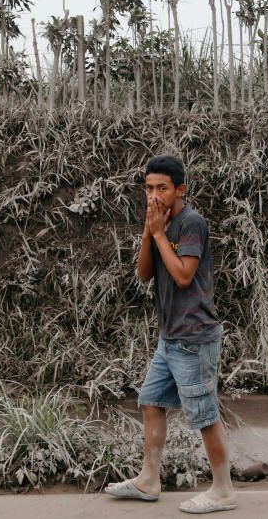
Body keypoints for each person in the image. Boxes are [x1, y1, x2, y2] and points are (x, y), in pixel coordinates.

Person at [104, 155, 237, 514]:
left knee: (204, 415)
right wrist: (149, 232)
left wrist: (160, 233)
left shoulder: (191, 224)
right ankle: (149, 480)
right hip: (170, 337)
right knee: (150, 401)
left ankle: (223, 490)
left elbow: (182, 276)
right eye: (148, 189)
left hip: (194, 338)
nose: (153, 196)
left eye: (161, 188)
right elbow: (145, 274)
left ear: (180, 189)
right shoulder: (158, 222)